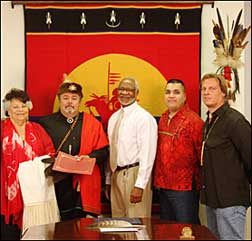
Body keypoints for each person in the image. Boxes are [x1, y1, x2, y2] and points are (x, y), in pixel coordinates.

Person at [39, 81, 109, 221]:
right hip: (57, 182)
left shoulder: (93, 123)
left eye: (74, 98)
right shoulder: (46, 122)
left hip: (83, 183)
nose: (69, 102)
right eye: (65, 98)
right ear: (59, 100)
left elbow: (104, 151)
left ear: (80, 101)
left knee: (83, 227)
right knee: (59, 227)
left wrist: (88, 157)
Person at [1, 88, 59, 240]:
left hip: (36, 191)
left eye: (23, 105)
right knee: (9, 233)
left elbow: (50, 152)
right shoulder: (2, 129)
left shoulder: (38, 129)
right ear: (8, 111)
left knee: (37, 233)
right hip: (8, 191)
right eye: (15, 107)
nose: (20, 110)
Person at [200, 73, 251, 240]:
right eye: (204, 89)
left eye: (212, 89)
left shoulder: (235, 121)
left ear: (223, 92)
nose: (206, 92)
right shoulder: (209, 121)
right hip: (212, 199)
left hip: (230, 200)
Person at [105, 77, 158, 217]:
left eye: (129, 90)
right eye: (121, 89)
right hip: (116, 174)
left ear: (136, 93)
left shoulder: (144, 118)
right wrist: (108, 180)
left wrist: (140, 185)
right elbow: (112, 151)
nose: (124, 93)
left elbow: (147, 154)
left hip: (134, 174)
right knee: (118, 224)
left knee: (137, 225)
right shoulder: (114, 118)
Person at [154, 79, 204, 224]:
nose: (171, 96)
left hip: (185, 188)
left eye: (176, 92)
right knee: (167, 230)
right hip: (163, 186)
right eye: (168, 92)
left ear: (184, 96)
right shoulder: (163, 118)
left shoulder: (194, 121)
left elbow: (202, 155)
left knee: (187, 229)